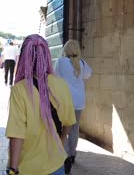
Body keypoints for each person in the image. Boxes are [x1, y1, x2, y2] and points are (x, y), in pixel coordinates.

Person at [5, 34, 76, 175]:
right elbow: (69, 122)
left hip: (27, 168)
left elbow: (17, 135)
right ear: (47, 56)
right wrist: (61, 140)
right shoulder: (61, 85)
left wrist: (13, 169)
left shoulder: (19, 89)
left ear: (24, 57)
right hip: (56, 164)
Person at [54, 39, 92, 172]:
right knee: (74, 129)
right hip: (79, 101)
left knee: (63, 128)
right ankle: (72, 154)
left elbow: (55, 77)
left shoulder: (61, 62)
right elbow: (88, 75)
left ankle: (63, 154)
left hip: (64, 101)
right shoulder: (82, 63)